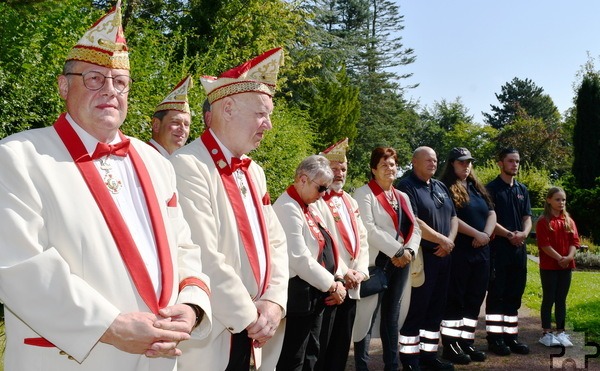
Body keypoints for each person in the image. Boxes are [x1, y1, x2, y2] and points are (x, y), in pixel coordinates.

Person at [0, 2, 212, 370]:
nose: (110, 91)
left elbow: (184, 246)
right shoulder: (17, 156)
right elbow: (17, 266)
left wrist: (192, 305)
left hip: (159, 360)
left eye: (120, 82)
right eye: (94, 79)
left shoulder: (155, 162)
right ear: (64, 86)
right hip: (71, 360)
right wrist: (109, 326)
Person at [170, 48, 289, 371]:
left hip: (253, 326)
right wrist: (252, 317)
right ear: (228, 108)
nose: (269, 125)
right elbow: (203, 255)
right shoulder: (187, 165)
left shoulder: (255, 171)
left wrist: (275, 302)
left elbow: (277, 244)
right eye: (262, 114)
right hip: (215, 334)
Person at [273, 155, 347, 371]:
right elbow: (298, 257)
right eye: (322, 187)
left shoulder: (308, 205)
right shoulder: (287, 206)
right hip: (298, 295)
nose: (324, 194)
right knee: (294, 358)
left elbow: (329, 245)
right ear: (303, 179)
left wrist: (339, 277)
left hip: (314, 294)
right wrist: (332, 284)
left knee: (312, 355)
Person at [353, 147, 422, 371]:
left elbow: (415, 227)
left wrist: (409, 251)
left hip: (401, 263)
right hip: (376, 263)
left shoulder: (402, 196)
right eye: (384, 164)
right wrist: (398, 251)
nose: (389, 168)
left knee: (392, 316)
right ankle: (361, 365)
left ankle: (392, 365)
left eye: (392, 164)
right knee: (367, 316)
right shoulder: (363, 194)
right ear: (374, 169)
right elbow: (368, 228)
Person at [397, 146, 458, 371]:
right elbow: (415, 222)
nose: (433, 163)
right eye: (428, 160)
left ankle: (429, 356)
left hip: (444, 256)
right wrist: (442, 240)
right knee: (417, 310)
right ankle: (410, 360)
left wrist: (448, 242)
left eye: (435, 160)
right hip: (422, 259)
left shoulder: (441, 186)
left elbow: (453, 216)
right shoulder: (406, 186)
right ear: (414, 162)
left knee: (436, 310)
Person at [313, 138, 370, 371]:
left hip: (352, 285)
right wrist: (343, 273)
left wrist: (362, 272)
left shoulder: (349, 199)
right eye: (334, 169)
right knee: (321, 350)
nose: (339, 174)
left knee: (340, 349)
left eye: (343, 169)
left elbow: (363, 239)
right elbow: (323, 244)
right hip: (331, 285)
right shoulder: (316, 200)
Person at [438, 147, 496, 365]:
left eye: (469, 162)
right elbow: (450, 217)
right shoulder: (445, 187)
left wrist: (486, 235)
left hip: (481, 253)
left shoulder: (476, 187)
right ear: (452, 163)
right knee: (456, 300)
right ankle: (451, 346)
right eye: (462, 162)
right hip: (460, 253)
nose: (466, 166)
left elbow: (491, 212)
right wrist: (476, 234)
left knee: (474, 300)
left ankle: (466, 343)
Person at [485, 147, 532, 356]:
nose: (515, 165)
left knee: (515, 295)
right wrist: (510, 235)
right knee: (497, 295)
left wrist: (524, 234)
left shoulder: (522, 189)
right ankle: (495, 339)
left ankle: (511, 337)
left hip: (519, 252)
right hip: (499, 251)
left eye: (517, 161)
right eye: (511, 161)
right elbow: (489, 220)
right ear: (500, 163)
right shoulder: (490, 189)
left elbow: (527, 218)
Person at [536, 187, 580, 348]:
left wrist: (568, 257)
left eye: (563, 200)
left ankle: (561, 332)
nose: (561, 202)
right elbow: (544, 244)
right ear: (549, 200)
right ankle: (546, 333)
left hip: (566, 266)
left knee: (561, 299)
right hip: (549, 266)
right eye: (557, 199)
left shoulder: (569, 221)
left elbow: (575, 242)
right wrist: (559, 258)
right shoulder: (543, 221)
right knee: (549, 298)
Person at [148, 75, 193, 156]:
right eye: (175, 122)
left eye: (186, 124)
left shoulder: (179, 161)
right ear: (156, 125)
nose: (182, 129)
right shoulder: (141, 155)